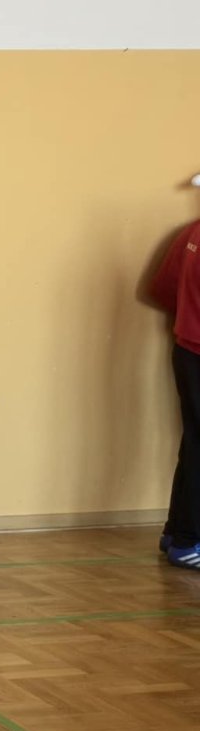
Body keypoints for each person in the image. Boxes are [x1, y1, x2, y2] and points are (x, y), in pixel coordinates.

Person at [150, 211, 200, 569]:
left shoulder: (193, 231)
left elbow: (165, 289)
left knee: (194, 443)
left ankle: (176, 532)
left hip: (186, 351)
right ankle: (187, 541)